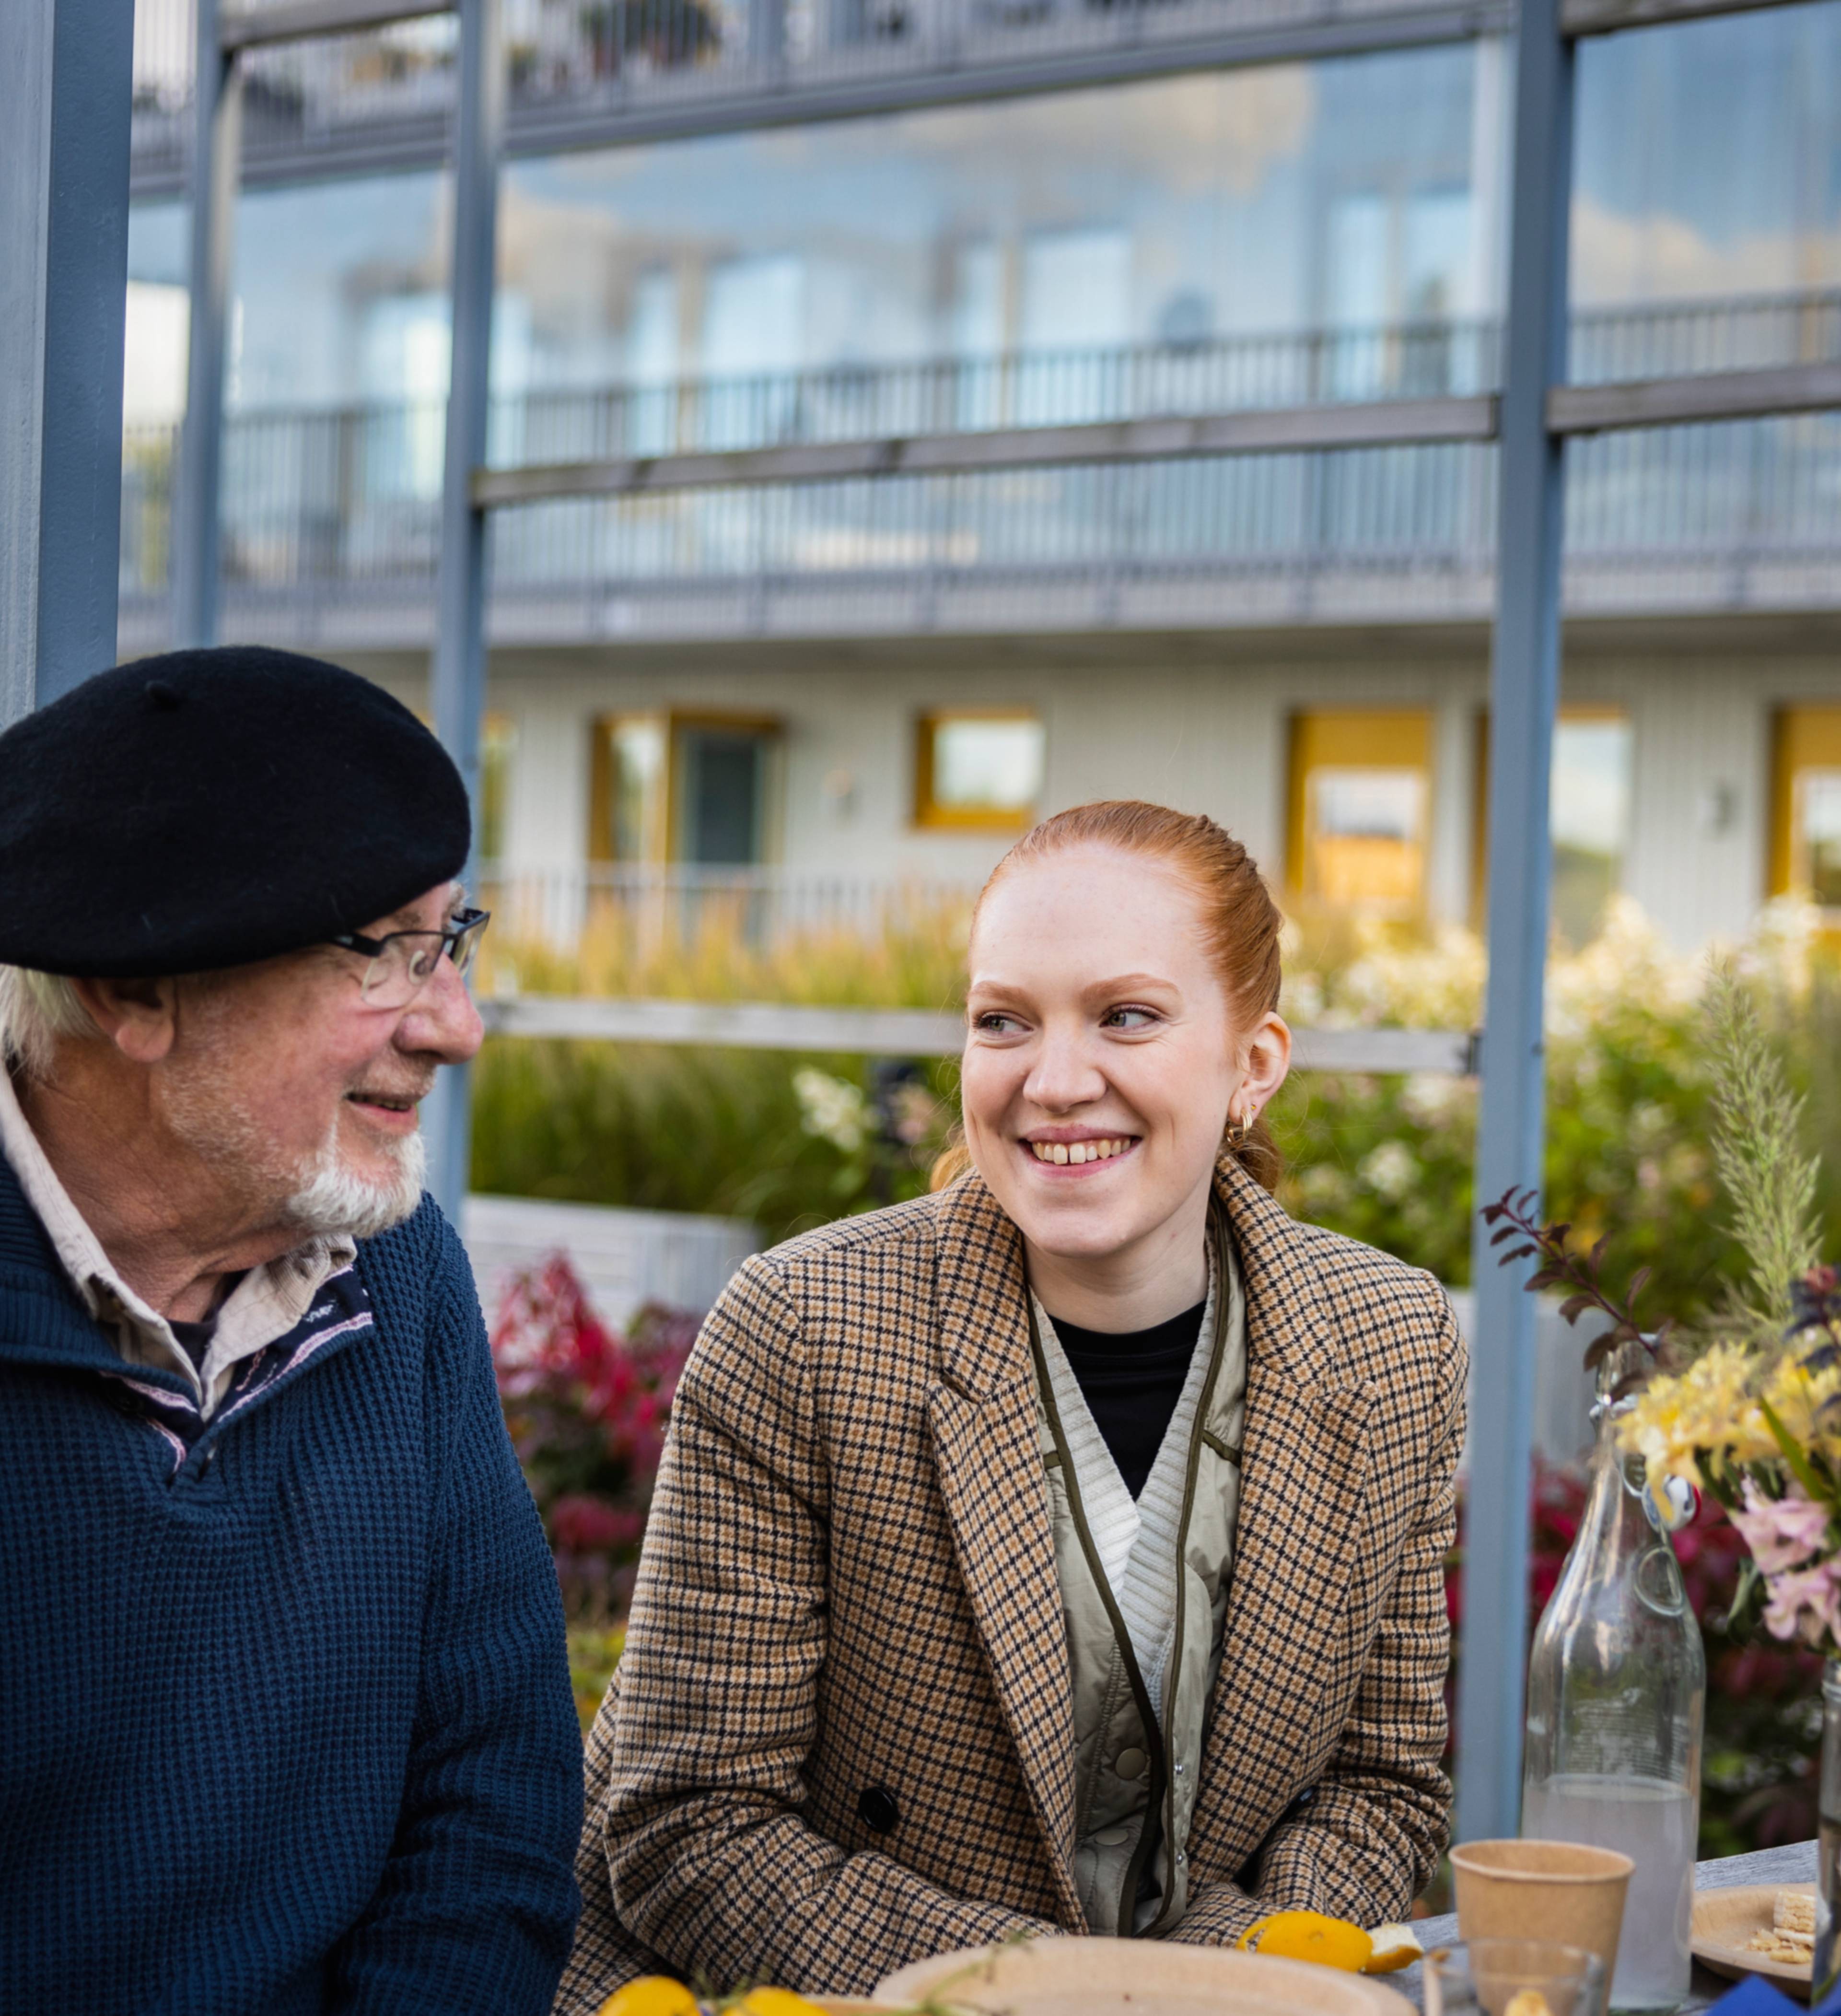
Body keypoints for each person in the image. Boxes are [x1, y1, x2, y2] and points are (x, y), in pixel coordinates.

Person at [560, 798, 1465, 2007]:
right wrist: (1064, 1991)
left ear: (1255, 1065)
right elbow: (693, 1825)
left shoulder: (1392, 1345)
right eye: (1005, 1021)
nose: (1055, 1079)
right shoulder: (806, 1328)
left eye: (1127, 1015)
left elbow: (1383, 1783)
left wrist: (1250, 1962)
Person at [0, 647, 583, 2014]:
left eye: (453, 937)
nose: (459, 1023)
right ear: (131, 992)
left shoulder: (397, 1272)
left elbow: (491, 1800)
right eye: (380, 950)